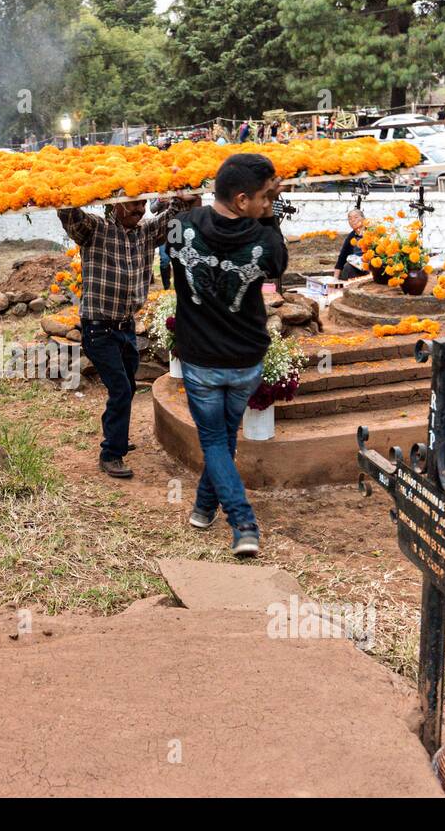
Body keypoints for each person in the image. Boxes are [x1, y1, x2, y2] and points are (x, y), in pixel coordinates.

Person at [166, 153, 287, 558]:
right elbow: (278, 263)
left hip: (201, 360)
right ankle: (222, 515)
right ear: (241, 200)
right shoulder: (264, 239)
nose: (268, 204)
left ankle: (224, 515)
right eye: (264, 197)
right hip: (245, 359)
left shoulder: (179, 228)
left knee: (216, 441)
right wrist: (269, 219)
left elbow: (171, 260)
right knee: (222, 440)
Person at [58, 194, 196, 478]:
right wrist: (63, 193)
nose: (140, 209)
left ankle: (116, 436)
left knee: (128, 387)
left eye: (143, 204)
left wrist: (182, 199)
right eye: (133, 203)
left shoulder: (145, 233)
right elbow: (71, 216)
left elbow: (168, 220)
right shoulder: (96, 229)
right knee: (121, 389)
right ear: (115, 205)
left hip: (125, 326)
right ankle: (111, 453)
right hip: (99, 328)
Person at [334, 208, 369, 279]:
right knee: (347, 267)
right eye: (350, 218)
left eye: (356, 217)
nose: (352, 220)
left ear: (364, 219)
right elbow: (342, 257)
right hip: (357, 267)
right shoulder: (351, 236)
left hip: (372, 266)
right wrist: (335, 279)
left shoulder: (372, 232)